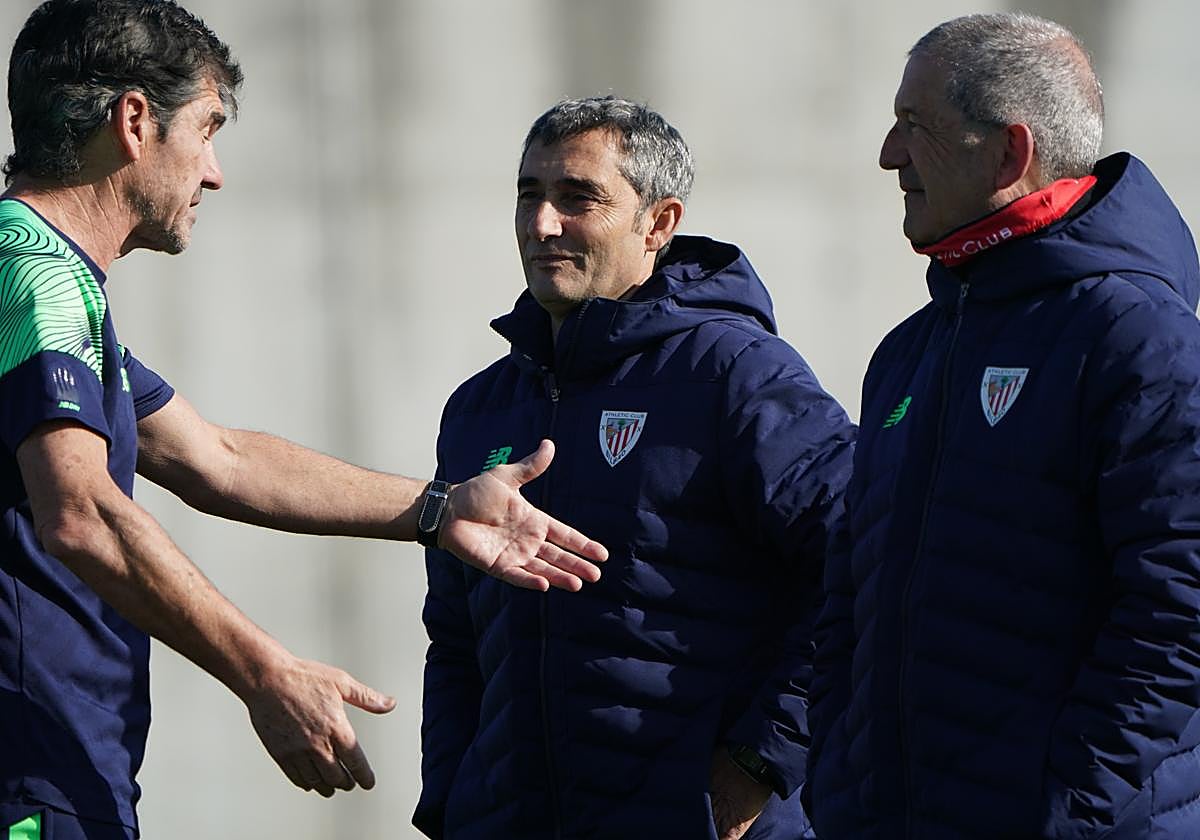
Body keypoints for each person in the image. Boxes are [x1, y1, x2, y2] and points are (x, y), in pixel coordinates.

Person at [0, 2, 608, 838]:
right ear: (135, 122)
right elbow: (81, 513)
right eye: (207, 129)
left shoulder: (48, 286)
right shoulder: (33, 273)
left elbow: (219, 458)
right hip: (27, 769)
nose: (213, 171)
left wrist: (442, 509)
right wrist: (266, 672)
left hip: (55, 764)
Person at [414, 95, 855, 840]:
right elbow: (456, 639)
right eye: (530, 195)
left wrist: (760, 760)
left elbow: (858, 561)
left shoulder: (739, 374)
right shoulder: (480, 407)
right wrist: (452, 799)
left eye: (577, 198)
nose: (542, 224)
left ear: (659, 223)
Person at [805, 12, 1200, 839]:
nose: (888, 154)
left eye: (915, 127)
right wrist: (837, 785)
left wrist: (1069, 815)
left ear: (1010, 153)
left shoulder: (1137, 337)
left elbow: (1180, 616)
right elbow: (850, 595)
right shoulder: (910, 351)